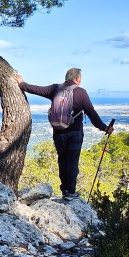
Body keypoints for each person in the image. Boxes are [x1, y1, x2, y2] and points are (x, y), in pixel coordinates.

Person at [15, 67, 113, 200]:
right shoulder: (81, 92)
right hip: (75, 133)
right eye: (81, 78)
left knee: (62, 160)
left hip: (58, 133)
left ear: (66, 77)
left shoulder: (55, 89)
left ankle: (64, 189)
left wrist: (21, 84)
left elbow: (36, 89)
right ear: (77, 79)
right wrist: (105, 128)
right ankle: (70, 191)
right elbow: (92, 114)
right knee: (72, 161)